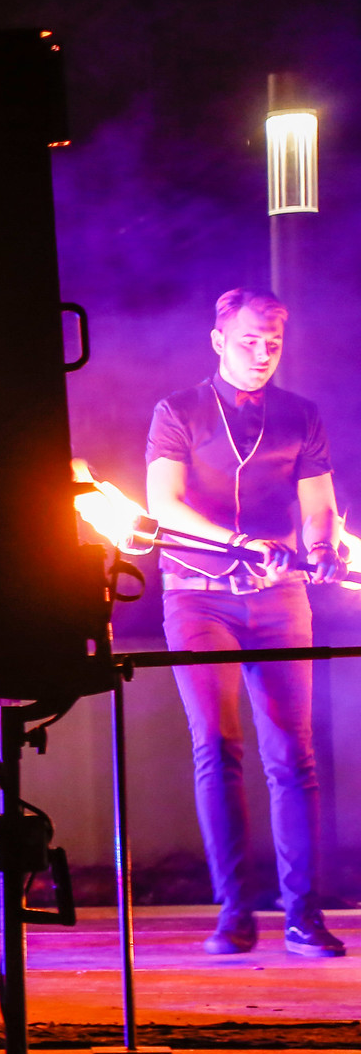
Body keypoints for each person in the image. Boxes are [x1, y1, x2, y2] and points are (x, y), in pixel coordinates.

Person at [145, 289, 345, 958]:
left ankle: (302, 914)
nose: (261, 353)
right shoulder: (178, 410)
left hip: (281, 598)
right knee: (218, 745)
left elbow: (320, 507)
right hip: (198, 597)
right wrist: (239, 543)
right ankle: (234, 911)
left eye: (273, 343)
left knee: (293, 754)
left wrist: (320, 548)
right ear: (218, 338)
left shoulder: (299, 415)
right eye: (249, 340)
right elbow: (164, 506)